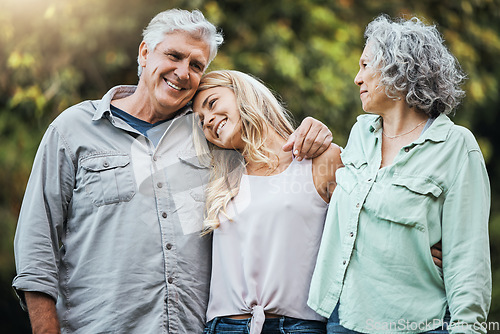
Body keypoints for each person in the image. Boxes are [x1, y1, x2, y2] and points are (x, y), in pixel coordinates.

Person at [12, 9, 333, 334]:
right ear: (145, 52)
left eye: (196, 65)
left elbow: (266, 160)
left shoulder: (210, 137)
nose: (183, 72)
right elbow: (36, 248)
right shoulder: (74, 129)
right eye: (174, 56)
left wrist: (313, 133)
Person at [308, 15, 491, 334]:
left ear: (398, 69)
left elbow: (468, 261)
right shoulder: (360, 134)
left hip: (415, 324)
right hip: (342, 318)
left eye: (365, 66)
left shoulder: (457, 146)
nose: (357, 78)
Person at [191, 69, 342, 334]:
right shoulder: (214, 179)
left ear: (243, 92)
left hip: (297, 326)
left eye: (212, 104)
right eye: (201, 121)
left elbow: (361, 231)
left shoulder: (319, 160)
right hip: (222, 327)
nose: (208, 122)